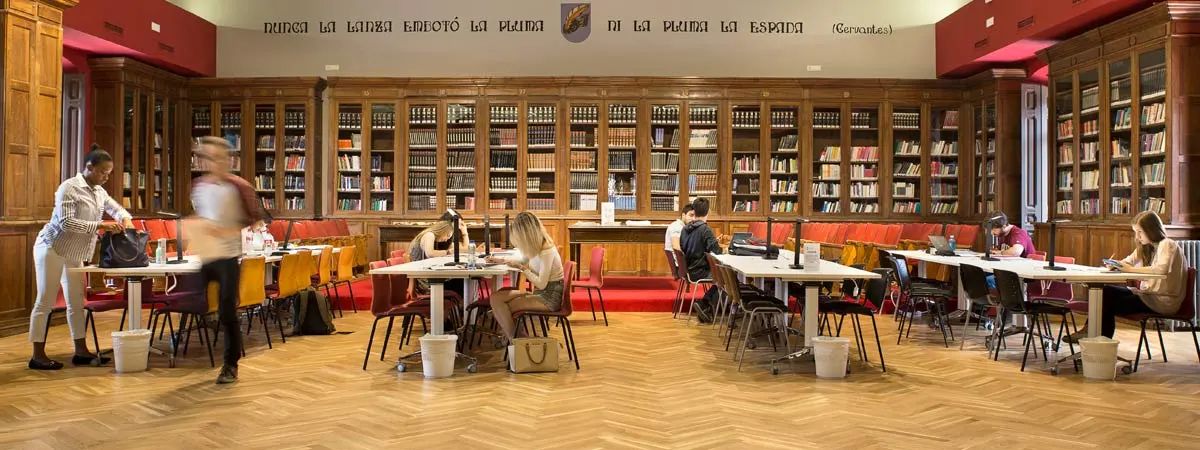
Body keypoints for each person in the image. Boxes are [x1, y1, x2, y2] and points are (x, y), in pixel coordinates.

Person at [27, 145, 134, 370]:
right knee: (44, 301)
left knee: (77, 302)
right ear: (89, 167)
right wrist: (101, 224)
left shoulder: (99, 191)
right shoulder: (68, 188)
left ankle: (81, 351)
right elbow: (66, 223)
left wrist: (126, 220)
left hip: (74, 253)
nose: (106, 177)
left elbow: (117, 209)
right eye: (103, 172)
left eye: (109, 173)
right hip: (52, 247)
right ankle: (37, 356)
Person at [188, 136, 263, 384]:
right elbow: (201, 217)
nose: (213, 163)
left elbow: (253, 221)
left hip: (228, 255)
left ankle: (230, 364)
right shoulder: (199, 187)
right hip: (206, 254)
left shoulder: (237, 187)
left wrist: (225, 231)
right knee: (195, 302)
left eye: (218, 158)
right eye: (207, 158)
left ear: (228, 160)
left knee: (227, 310)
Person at [1076, 211, 1187, 341]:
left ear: (1151, 229)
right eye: (1136, 232)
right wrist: (1115, 265)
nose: (1137, 236)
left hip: (1162, 301)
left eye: (1140, 232)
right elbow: (1128, 261)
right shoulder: (1147, 247)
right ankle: (1093, 336)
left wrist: (1130, 269)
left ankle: (1098, 341)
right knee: (1104, 292)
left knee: (1105, 303)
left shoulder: (1167, 244)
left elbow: (1161, 270)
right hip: (1148, 296)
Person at [486, 212, 565, 341]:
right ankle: (517, 338)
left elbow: (541, 284)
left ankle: (515, 341)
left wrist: (523, 269)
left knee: (503, 310)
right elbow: (522, 260)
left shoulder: (546, 250)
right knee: (495, 298)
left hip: (549, 297)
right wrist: (500, 260)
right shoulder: (536, 247)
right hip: (540, 293)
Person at [679, 198, 722, 322]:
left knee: (724, 277)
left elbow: (683, 247)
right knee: (727, 278)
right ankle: (705, 303)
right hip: (701, 270)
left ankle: (706, 306)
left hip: (689, 269)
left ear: (694, 211)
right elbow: (717, 252)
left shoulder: (685, 229)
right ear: (707, 212)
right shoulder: (705, 229)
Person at [407, 219, 466, 297]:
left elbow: (465, 249)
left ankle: (463, 307)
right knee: (463, 281)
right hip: (426, 283)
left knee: (462, 280)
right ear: (443, 230)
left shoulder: (431, 236)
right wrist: (447, 252)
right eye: (448, 235)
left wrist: (465, 233)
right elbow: (430, 253)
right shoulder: (429, 235)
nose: (446, 239)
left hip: (426, 278)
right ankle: (465, 307)